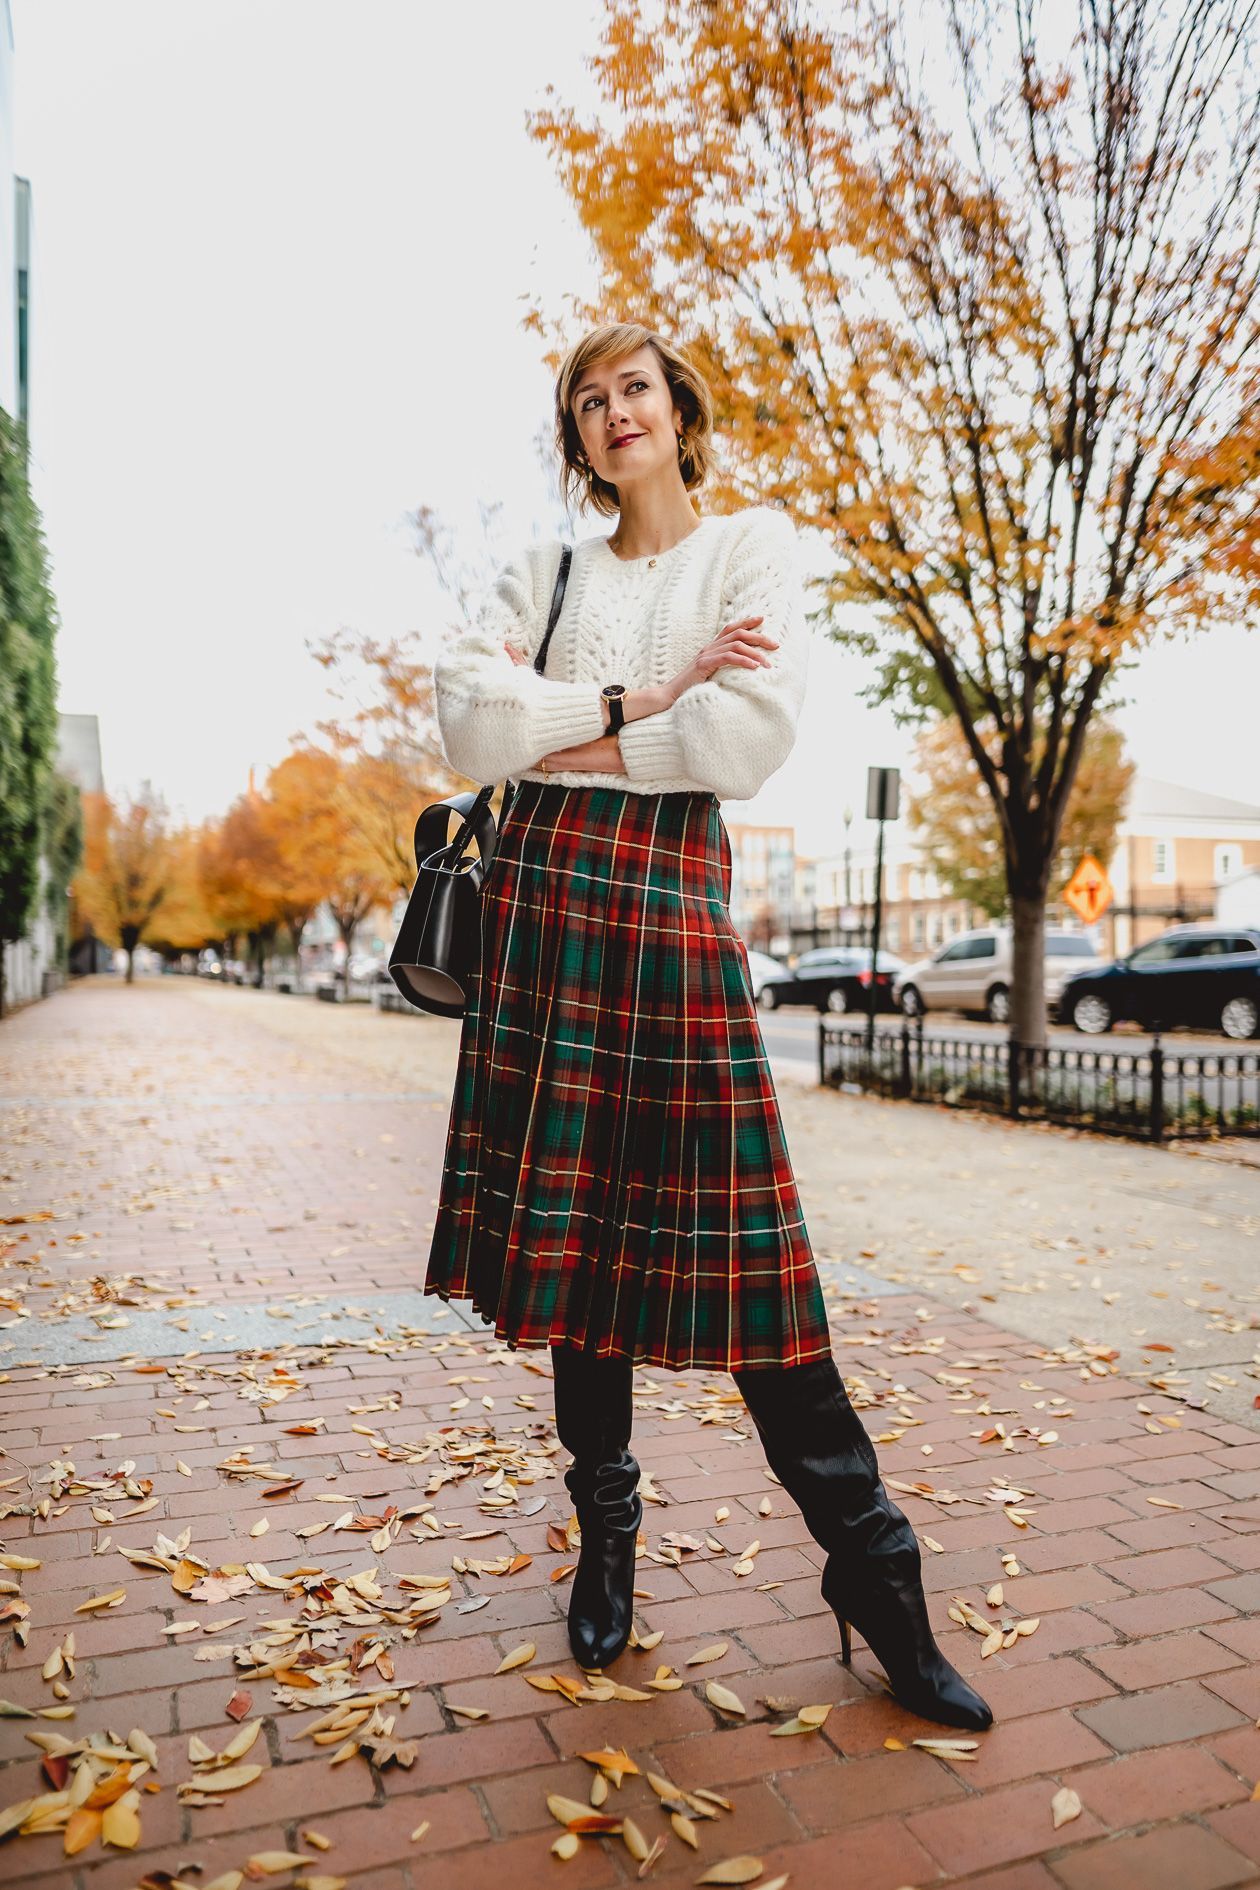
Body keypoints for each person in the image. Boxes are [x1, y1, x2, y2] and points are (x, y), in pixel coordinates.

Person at [424, 320, 992, 1733]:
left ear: (678, 409)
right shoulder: (544, 571)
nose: (615, 412)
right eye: (587, 400)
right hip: (549, 925)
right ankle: (604, 1528)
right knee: (573, 1265)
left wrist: (574, 735)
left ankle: (877, 1573)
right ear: (578, 439)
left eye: (634, 388)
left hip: (674, 921)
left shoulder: (748, 553)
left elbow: (743, 740)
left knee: (761, 1279)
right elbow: (463, 720)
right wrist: (644, 699)